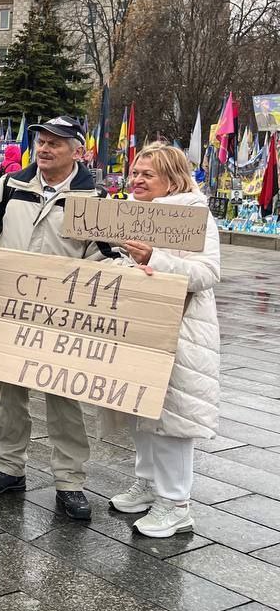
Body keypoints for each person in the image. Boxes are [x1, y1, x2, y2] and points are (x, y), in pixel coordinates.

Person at [0, 115, 115, 521]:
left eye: (55, 143)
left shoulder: (94, 200)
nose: (45, 149)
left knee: (64, 397)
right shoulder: (11, 184)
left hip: (64, 319)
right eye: (41, 141)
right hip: (10, 310)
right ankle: (8, 467)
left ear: (77, 151)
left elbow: (108, 257)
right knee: (10, 392)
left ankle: (70, 482)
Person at [109, 143, 220, 537]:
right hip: (140, 327)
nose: (135, 180)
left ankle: (176, 504)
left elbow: (206, 273)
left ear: (171, 180)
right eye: (134, 173)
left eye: (146, 175)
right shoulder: (133, 212)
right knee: (140, 408)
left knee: (172, 419)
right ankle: (149, 483)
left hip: (182, 333)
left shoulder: (195, 217)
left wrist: (154, 257)